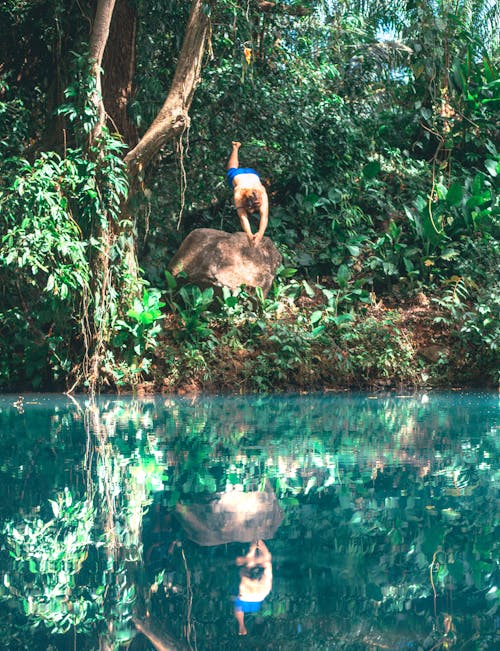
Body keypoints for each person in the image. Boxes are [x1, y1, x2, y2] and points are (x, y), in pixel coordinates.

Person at [227, 141, 269, 247]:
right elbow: (243, 217)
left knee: (233, 168)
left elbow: (264, 216)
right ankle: (235, 148)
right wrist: (249, 235)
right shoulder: (239, 193)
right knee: (231, 169)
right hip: (245, 174)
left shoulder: (261, 192)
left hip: (252, 174)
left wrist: (259, 235)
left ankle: (236, 147)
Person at [233, 540, 273, 636]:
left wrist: (258, 547)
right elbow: (267, 560)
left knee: (247, 561)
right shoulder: (265, 584)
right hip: (251, 594)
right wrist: (261, 547)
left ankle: (241, 625)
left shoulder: (264, 586)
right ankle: (241, 625)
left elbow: (266, 560)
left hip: (254, 594)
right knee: (253, 561)